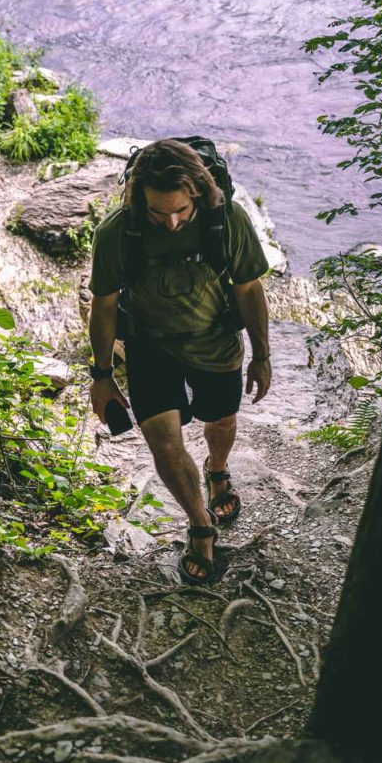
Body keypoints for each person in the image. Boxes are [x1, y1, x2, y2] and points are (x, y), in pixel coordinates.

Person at [88, 138, 271, 583]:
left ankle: (217, 469)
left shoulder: (227, 222)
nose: (171, 223)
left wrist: (262, 355)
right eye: (157, 213)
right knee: (164, 443)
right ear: (137, 200)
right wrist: (102, 375)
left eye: (181, 212)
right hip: (150, 346)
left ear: (198, 195)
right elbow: (105, 305)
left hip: (215, 340)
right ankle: (200, 526)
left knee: (221, 422)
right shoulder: (116, 232)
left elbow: (249, 290)